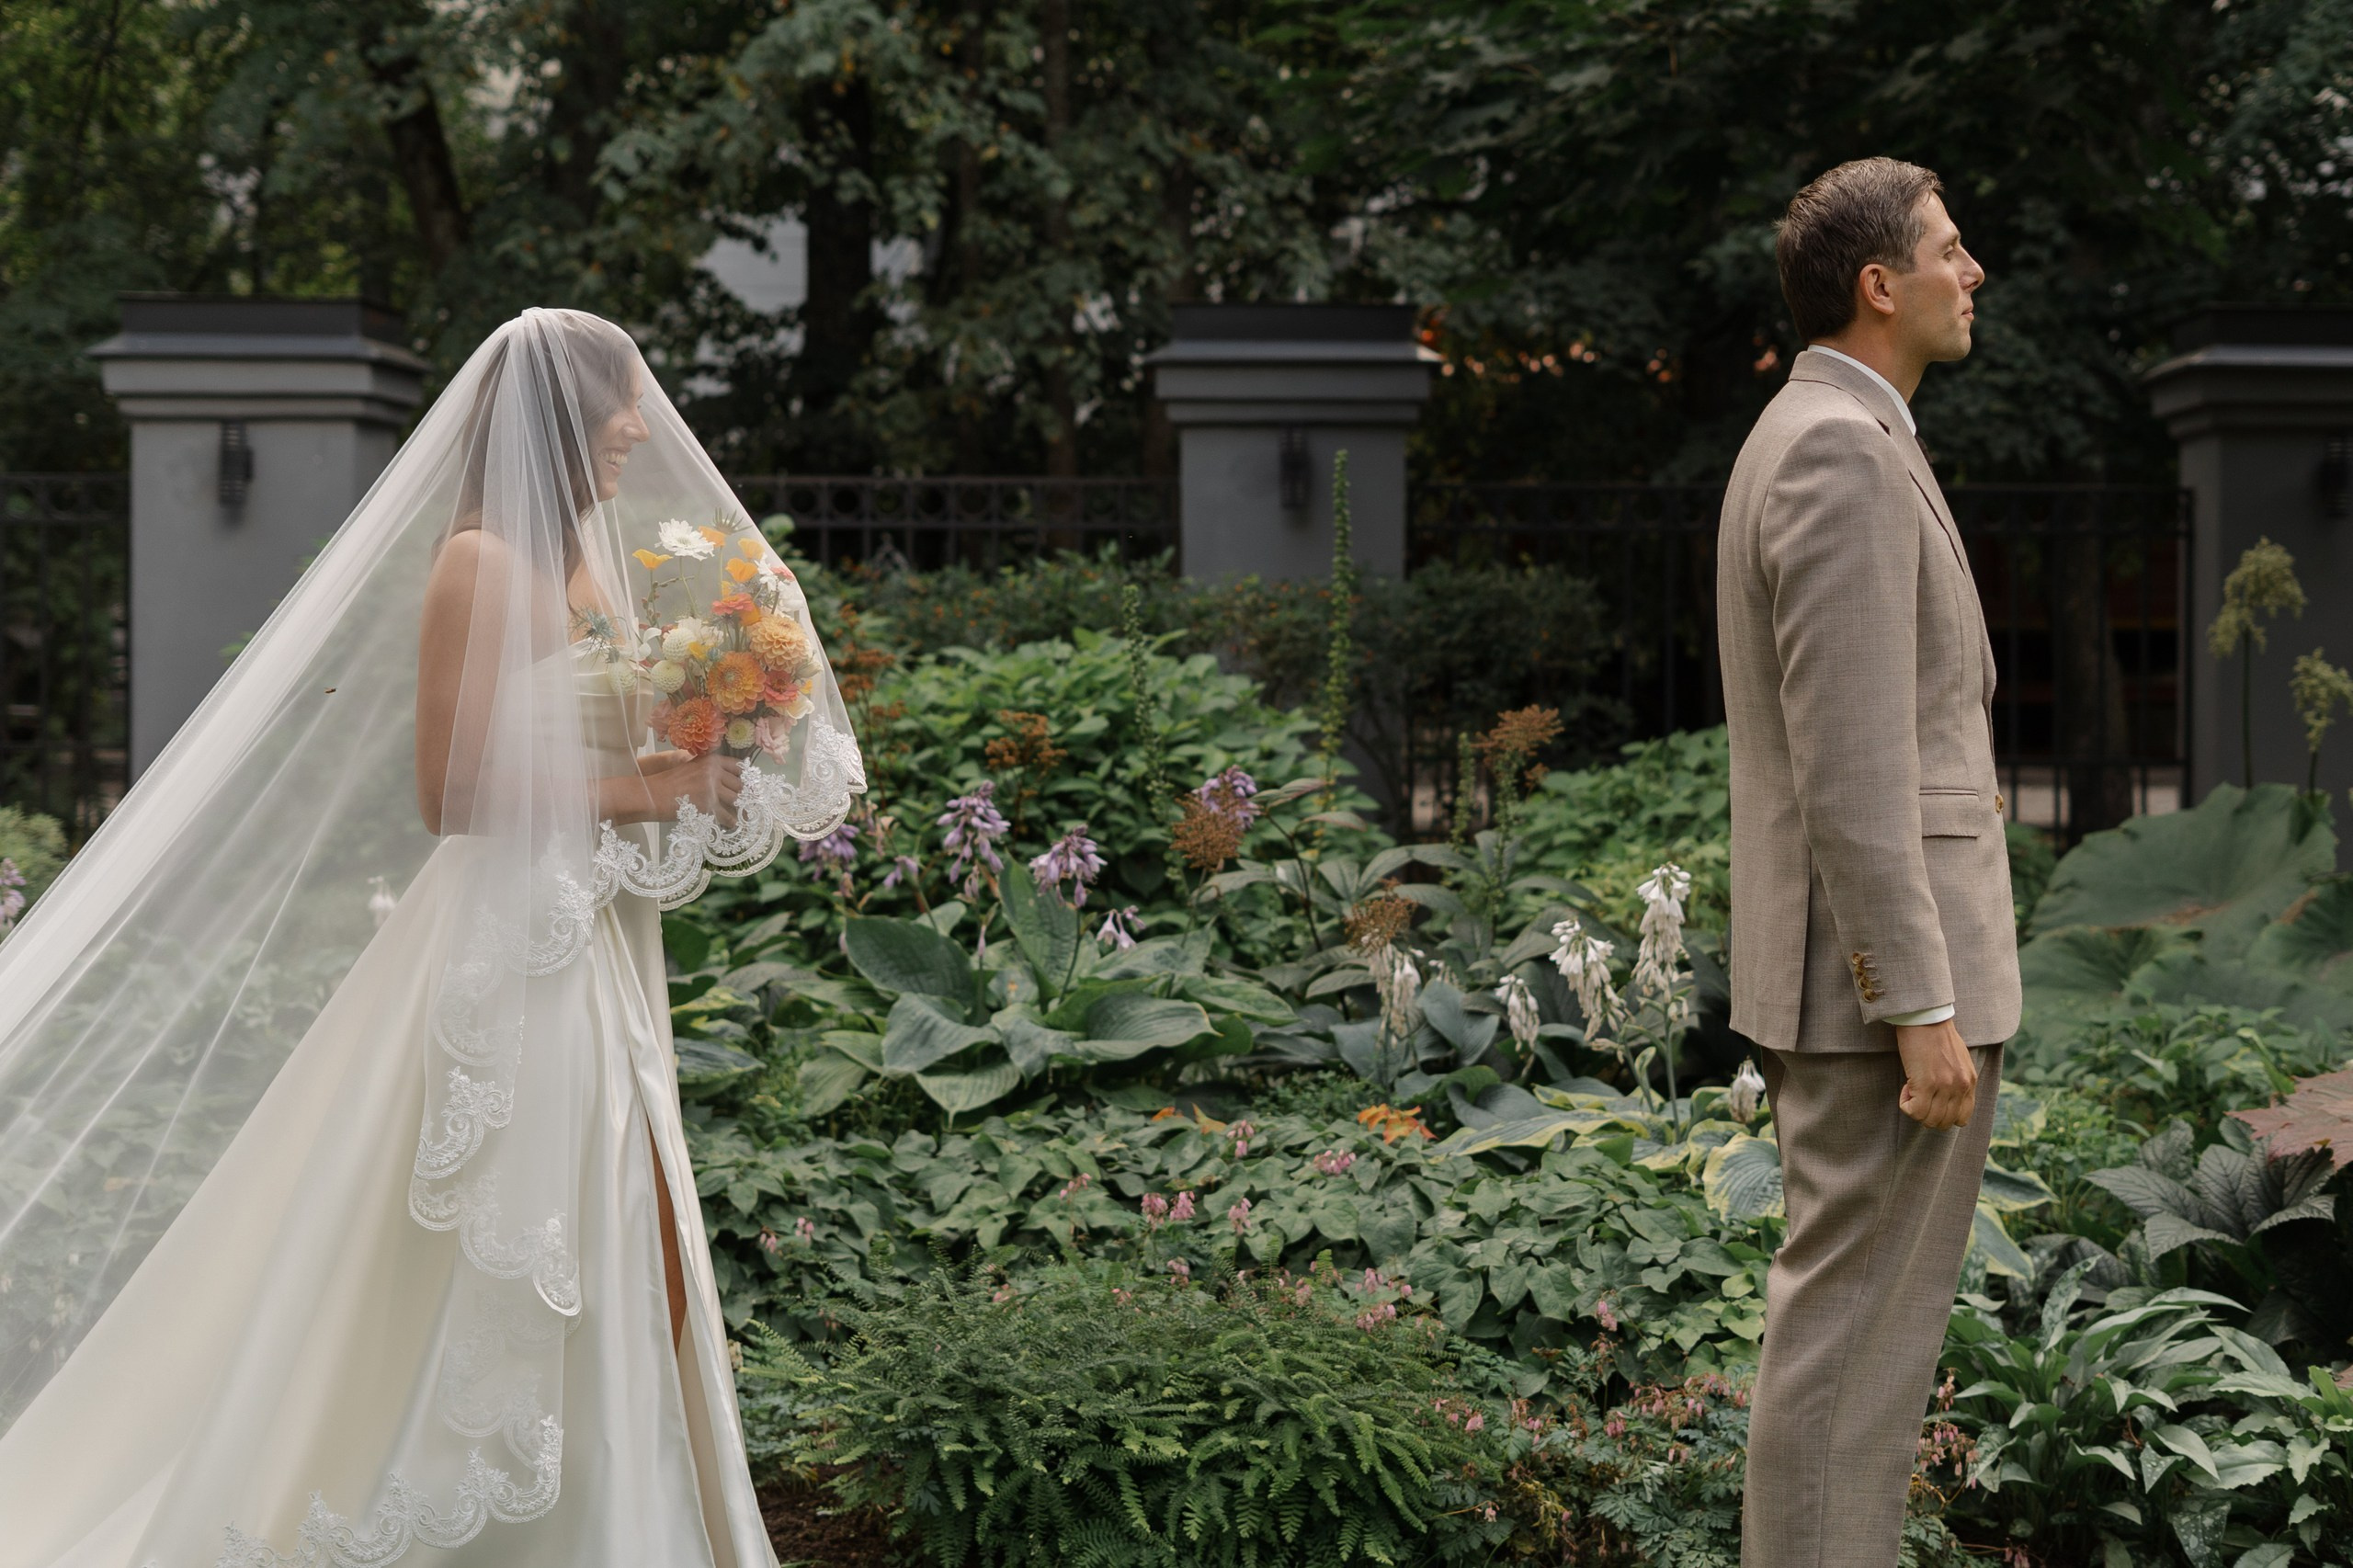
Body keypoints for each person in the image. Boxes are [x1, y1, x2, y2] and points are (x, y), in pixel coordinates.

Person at [0, 308, 865, 1567]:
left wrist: (707, 730)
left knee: (628, 1198)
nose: (640, 422)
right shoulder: (478, 563)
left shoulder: (581, 558)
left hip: (592, 932)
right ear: (567, 416)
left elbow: (567, 744)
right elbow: (450, 793)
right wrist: (659, 792)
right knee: (540, 1208)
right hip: (510, 947)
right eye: (623, 401)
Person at [1716, 158, 2020, 1567]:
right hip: (1880, 1008)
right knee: (1847, 1359)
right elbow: (1852, 770)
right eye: (1951, 251)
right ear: (1878, 285)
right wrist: (1921, 1004)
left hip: (1878, 999)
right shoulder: (1838, 446)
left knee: (1863, 1367)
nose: (1975, 273)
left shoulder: (1838, 430)